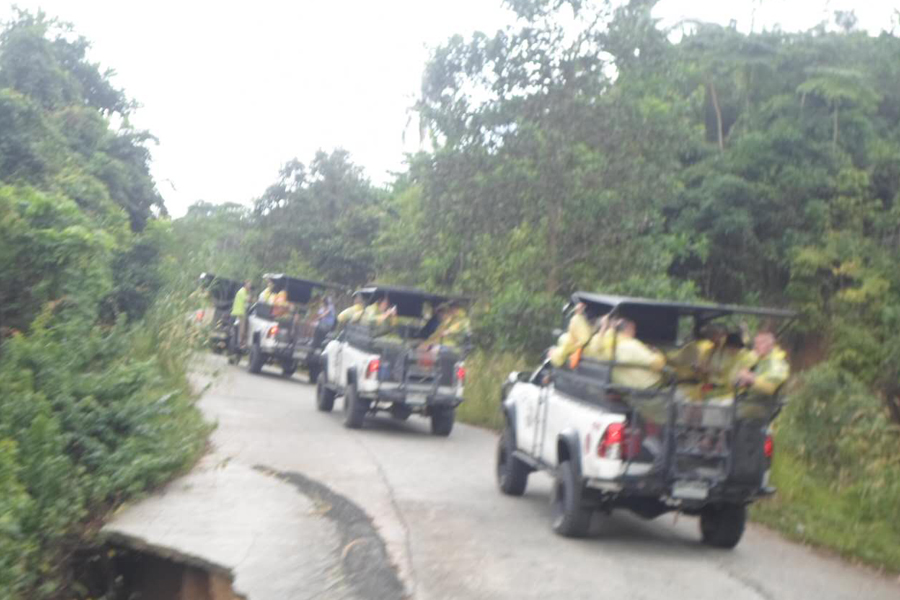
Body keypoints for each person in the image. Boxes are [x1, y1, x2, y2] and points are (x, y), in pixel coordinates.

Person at [733, 328, 790, 418]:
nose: (755, 347)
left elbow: (770, 387)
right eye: (755, 343)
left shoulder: (776, 363)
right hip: (749, 401)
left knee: (723, 411)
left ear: (769, 345)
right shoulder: (761, 360)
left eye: (759, 343)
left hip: (763, 407)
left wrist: (749, 379)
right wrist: (744, 381)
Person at [548, 302, 592, 368]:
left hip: (574, 348)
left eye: (581, 308)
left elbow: (585, 338)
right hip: (571, 347)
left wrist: (552, 354)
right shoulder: (578, 320)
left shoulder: (577, 320)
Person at [230, 280, 251, 349]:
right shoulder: (243, 292)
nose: (250, 286)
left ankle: (238, 342)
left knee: (238, 329)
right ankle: (241, 343)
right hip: (240, 312)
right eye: (249, 284)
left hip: (237, 311)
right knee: (242, 328)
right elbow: (248, 300)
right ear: (245, 285)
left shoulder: (241, 291)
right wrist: (250, 295)